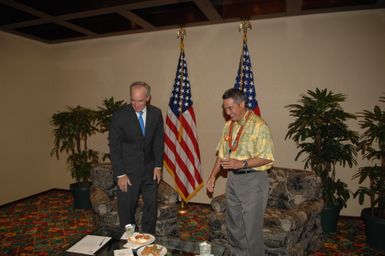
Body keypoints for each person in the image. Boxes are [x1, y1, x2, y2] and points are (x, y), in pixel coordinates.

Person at [207, 88, 274, 256]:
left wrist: (242, 163)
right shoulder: (228, 126)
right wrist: (212, 176)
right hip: (232, 180)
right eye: (225, 109)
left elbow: (267, 157)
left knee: (251, 229)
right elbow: (222, 155)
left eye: (230, 108)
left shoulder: (259, 126)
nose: (227, 112)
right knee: (234, 226)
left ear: (242, 103)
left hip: (253, 181)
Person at [109, 81, 164, 234]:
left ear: (148, 98)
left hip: (150, 171)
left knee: (151, 207)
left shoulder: (156, 113)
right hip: (127, 173)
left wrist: (158, 166)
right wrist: (120, 174)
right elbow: (114, 148)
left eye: (140, 100)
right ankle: (129, 241)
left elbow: (158, 142)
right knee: (126, 211)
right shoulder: (119, 116)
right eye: (133, 100)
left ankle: (148, 239)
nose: (136, 104)